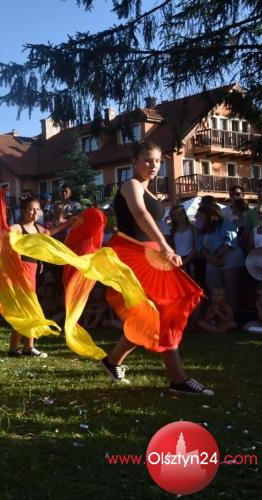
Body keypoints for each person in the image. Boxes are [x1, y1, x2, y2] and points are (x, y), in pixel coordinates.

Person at [100, 141, 211, 396]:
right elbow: (140, 215)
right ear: (134, 162)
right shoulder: (131, 185)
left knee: (152, 314)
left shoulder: (149, 190)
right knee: (163, 310)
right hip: (138, 254)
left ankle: (112, 361)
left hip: (150, 254)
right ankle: (178, 379)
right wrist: (165, 246)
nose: (154, 165)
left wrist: (162, 247)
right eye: (148, 160)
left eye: (158, 161)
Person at [7, 197, 70, 358]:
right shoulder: (19, 227)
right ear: (24, 211)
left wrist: (69, 223)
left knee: (28, 310)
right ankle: (22, 348)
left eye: (37, 209)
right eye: (31, 209)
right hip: (22, 272)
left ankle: (22, 348)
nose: (35, 212)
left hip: (33, 271)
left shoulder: (37, 228)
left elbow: (49, 233)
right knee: (27, 309)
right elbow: (5, 232)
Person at [196, 203, 245, 316]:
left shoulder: (226, 223)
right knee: (213, 290)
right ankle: (216, 316)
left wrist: (217, 257)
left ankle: (232, 316)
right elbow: (200, 246)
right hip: (212, 262)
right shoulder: (204, 228)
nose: (198, 217)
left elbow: (230, 241)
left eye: (201, 214)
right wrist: (211, 259)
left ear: (209, 214)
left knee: (230, 290)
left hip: (231, 260)